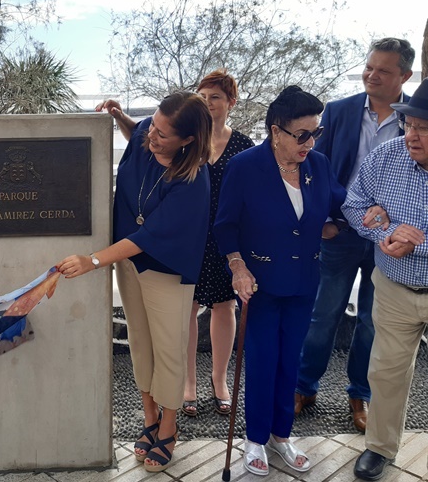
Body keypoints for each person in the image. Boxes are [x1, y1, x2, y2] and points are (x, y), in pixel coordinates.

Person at [56, 92, 211, 473]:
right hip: (128, 263)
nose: (151, 136)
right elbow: (137, 130)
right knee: (140, 341)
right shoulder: (145, 135)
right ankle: (150, 417)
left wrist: (92, 260)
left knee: (168, 348)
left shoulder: (192, 180)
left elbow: (149, 235)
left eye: (162, 134)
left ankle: (169, 427)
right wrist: (121, 118)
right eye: (152, 125)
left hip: (166, 268)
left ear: (187, 140)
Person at [213, 86, 346, 476]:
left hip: (304, 281)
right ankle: (255, 438)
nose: (310, 143)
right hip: (260, 284)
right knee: (262, 361)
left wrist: (339, 224)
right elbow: (225, 226)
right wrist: (238, 267)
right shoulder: (245, 166)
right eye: (301, 135)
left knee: (290, 360)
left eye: (315, 133)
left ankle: (280, 435)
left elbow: (343, 203)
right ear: (276, 131)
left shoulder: (318, 165)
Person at [295, 38, 415, 432]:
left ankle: (359, 395)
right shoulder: (339, 111)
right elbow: (314, 167)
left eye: (383, 70)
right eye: (369, 66)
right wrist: (322, 221)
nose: (372, 75)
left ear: (404, 76)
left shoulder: (415, 119)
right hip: (341, 231)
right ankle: (304, 386)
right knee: (322, 314)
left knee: (372, 322)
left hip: (391, 240)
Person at [343, 78, 428, 481]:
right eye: (410, 124)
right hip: (393, 288)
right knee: (385, 372)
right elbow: (353, 204)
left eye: (423, 128)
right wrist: (388, 232)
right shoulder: (387, 155)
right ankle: (379, 448)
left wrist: (417, 242)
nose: (411, 134)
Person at [183, 70, 254, 418]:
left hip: (228, 239)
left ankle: (219, 379)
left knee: (224, 307)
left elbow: (253, 196)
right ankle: (188, 384)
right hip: (189, 236)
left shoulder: (244, 145)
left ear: (231, 102)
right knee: (187, 307)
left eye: (216, 97)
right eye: (203, 97)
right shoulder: (186, 140)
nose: (209, 103)